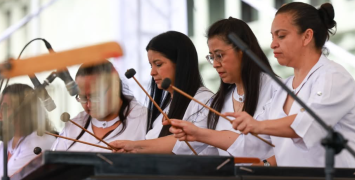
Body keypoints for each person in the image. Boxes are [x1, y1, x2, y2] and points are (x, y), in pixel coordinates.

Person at [226, 2, 355, 167]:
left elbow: (308, 123)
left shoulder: (333, 77)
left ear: (307, 36)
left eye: (281, 36)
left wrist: (257, 125)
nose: (273, 44)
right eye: (272, 36)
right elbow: (254, 142)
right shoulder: (283, 89)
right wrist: (199, 134)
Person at [164, 17, 276, 161]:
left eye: (220, 55)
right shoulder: (219, 101)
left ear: (242, 50)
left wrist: (266, 166)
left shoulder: (275, 89)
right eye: (212, 57)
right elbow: (210, 152)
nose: (215, 64)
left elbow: (283, 147)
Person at [110, 31, 213, 155]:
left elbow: (183, 144)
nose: (152, 72)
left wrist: (135, 146)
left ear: (180, 64)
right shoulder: (167, 105)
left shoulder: (205, 101)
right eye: (151, 65)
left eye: (158, 64)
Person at [51, 61, 147, 151]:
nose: (89, 104)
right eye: (83, 98)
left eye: (96, 96)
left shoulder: (144, 120)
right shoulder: (74, 126)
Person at [0, 84, 55, 178]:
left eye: (6, 108)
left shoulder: (39, 141)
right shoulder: (8, 140)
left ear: (24, 112)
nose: (0, 115)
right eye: (0, 108)